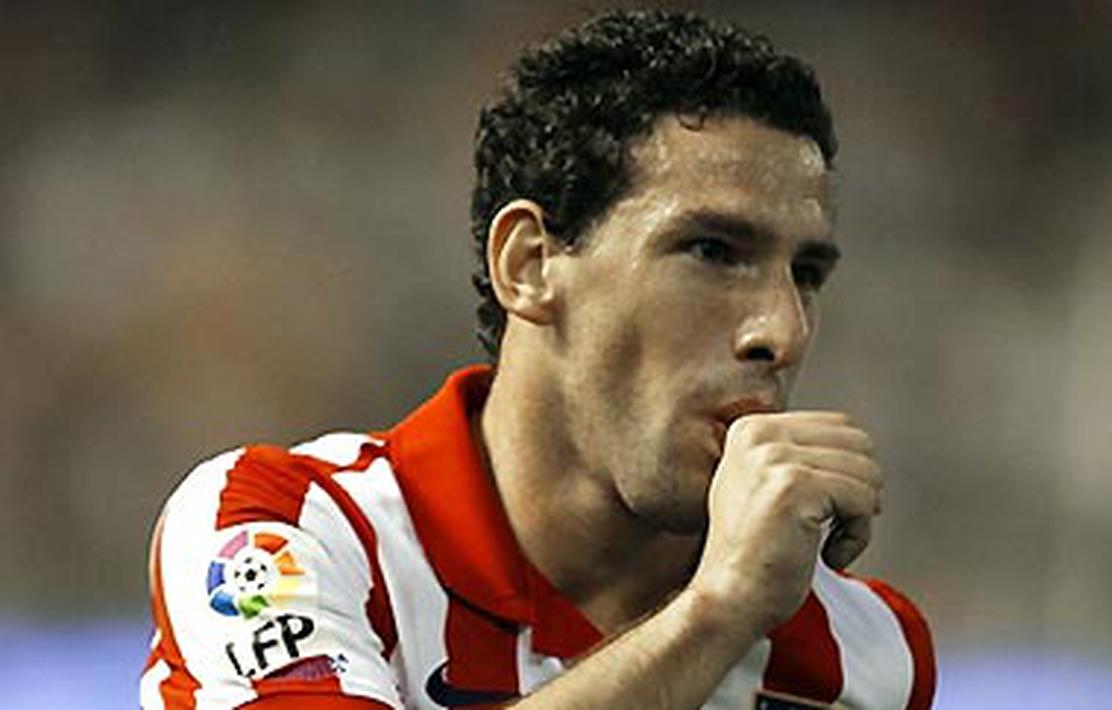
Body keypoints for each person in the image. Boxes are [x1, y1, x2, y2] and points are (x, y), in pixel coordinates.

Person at [140, 9, 935, 710]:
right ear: (528, 264)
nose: (781, 329)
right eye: (711, 251)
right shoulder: (287, 533)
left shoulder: (860, 655)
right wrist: (716, 613)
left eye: (805, 274)